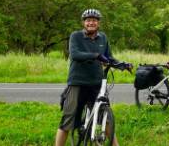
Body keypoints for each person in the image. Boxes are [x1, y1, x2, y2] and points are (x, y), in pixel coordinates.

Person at [55, 9, 131, 146]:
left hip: (97, 84)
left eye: (94, 20)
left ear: (98, 23)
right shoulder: (76, 36)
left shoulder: (103, 38)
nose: (91, 22)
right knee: (69, 119)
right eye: (88, 20)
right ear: (84, 22)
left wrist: (122, 64)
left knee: (106, 118)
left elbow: (108, 57)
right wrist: (96, 55)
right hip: (78, 83)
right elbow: (75, 54)